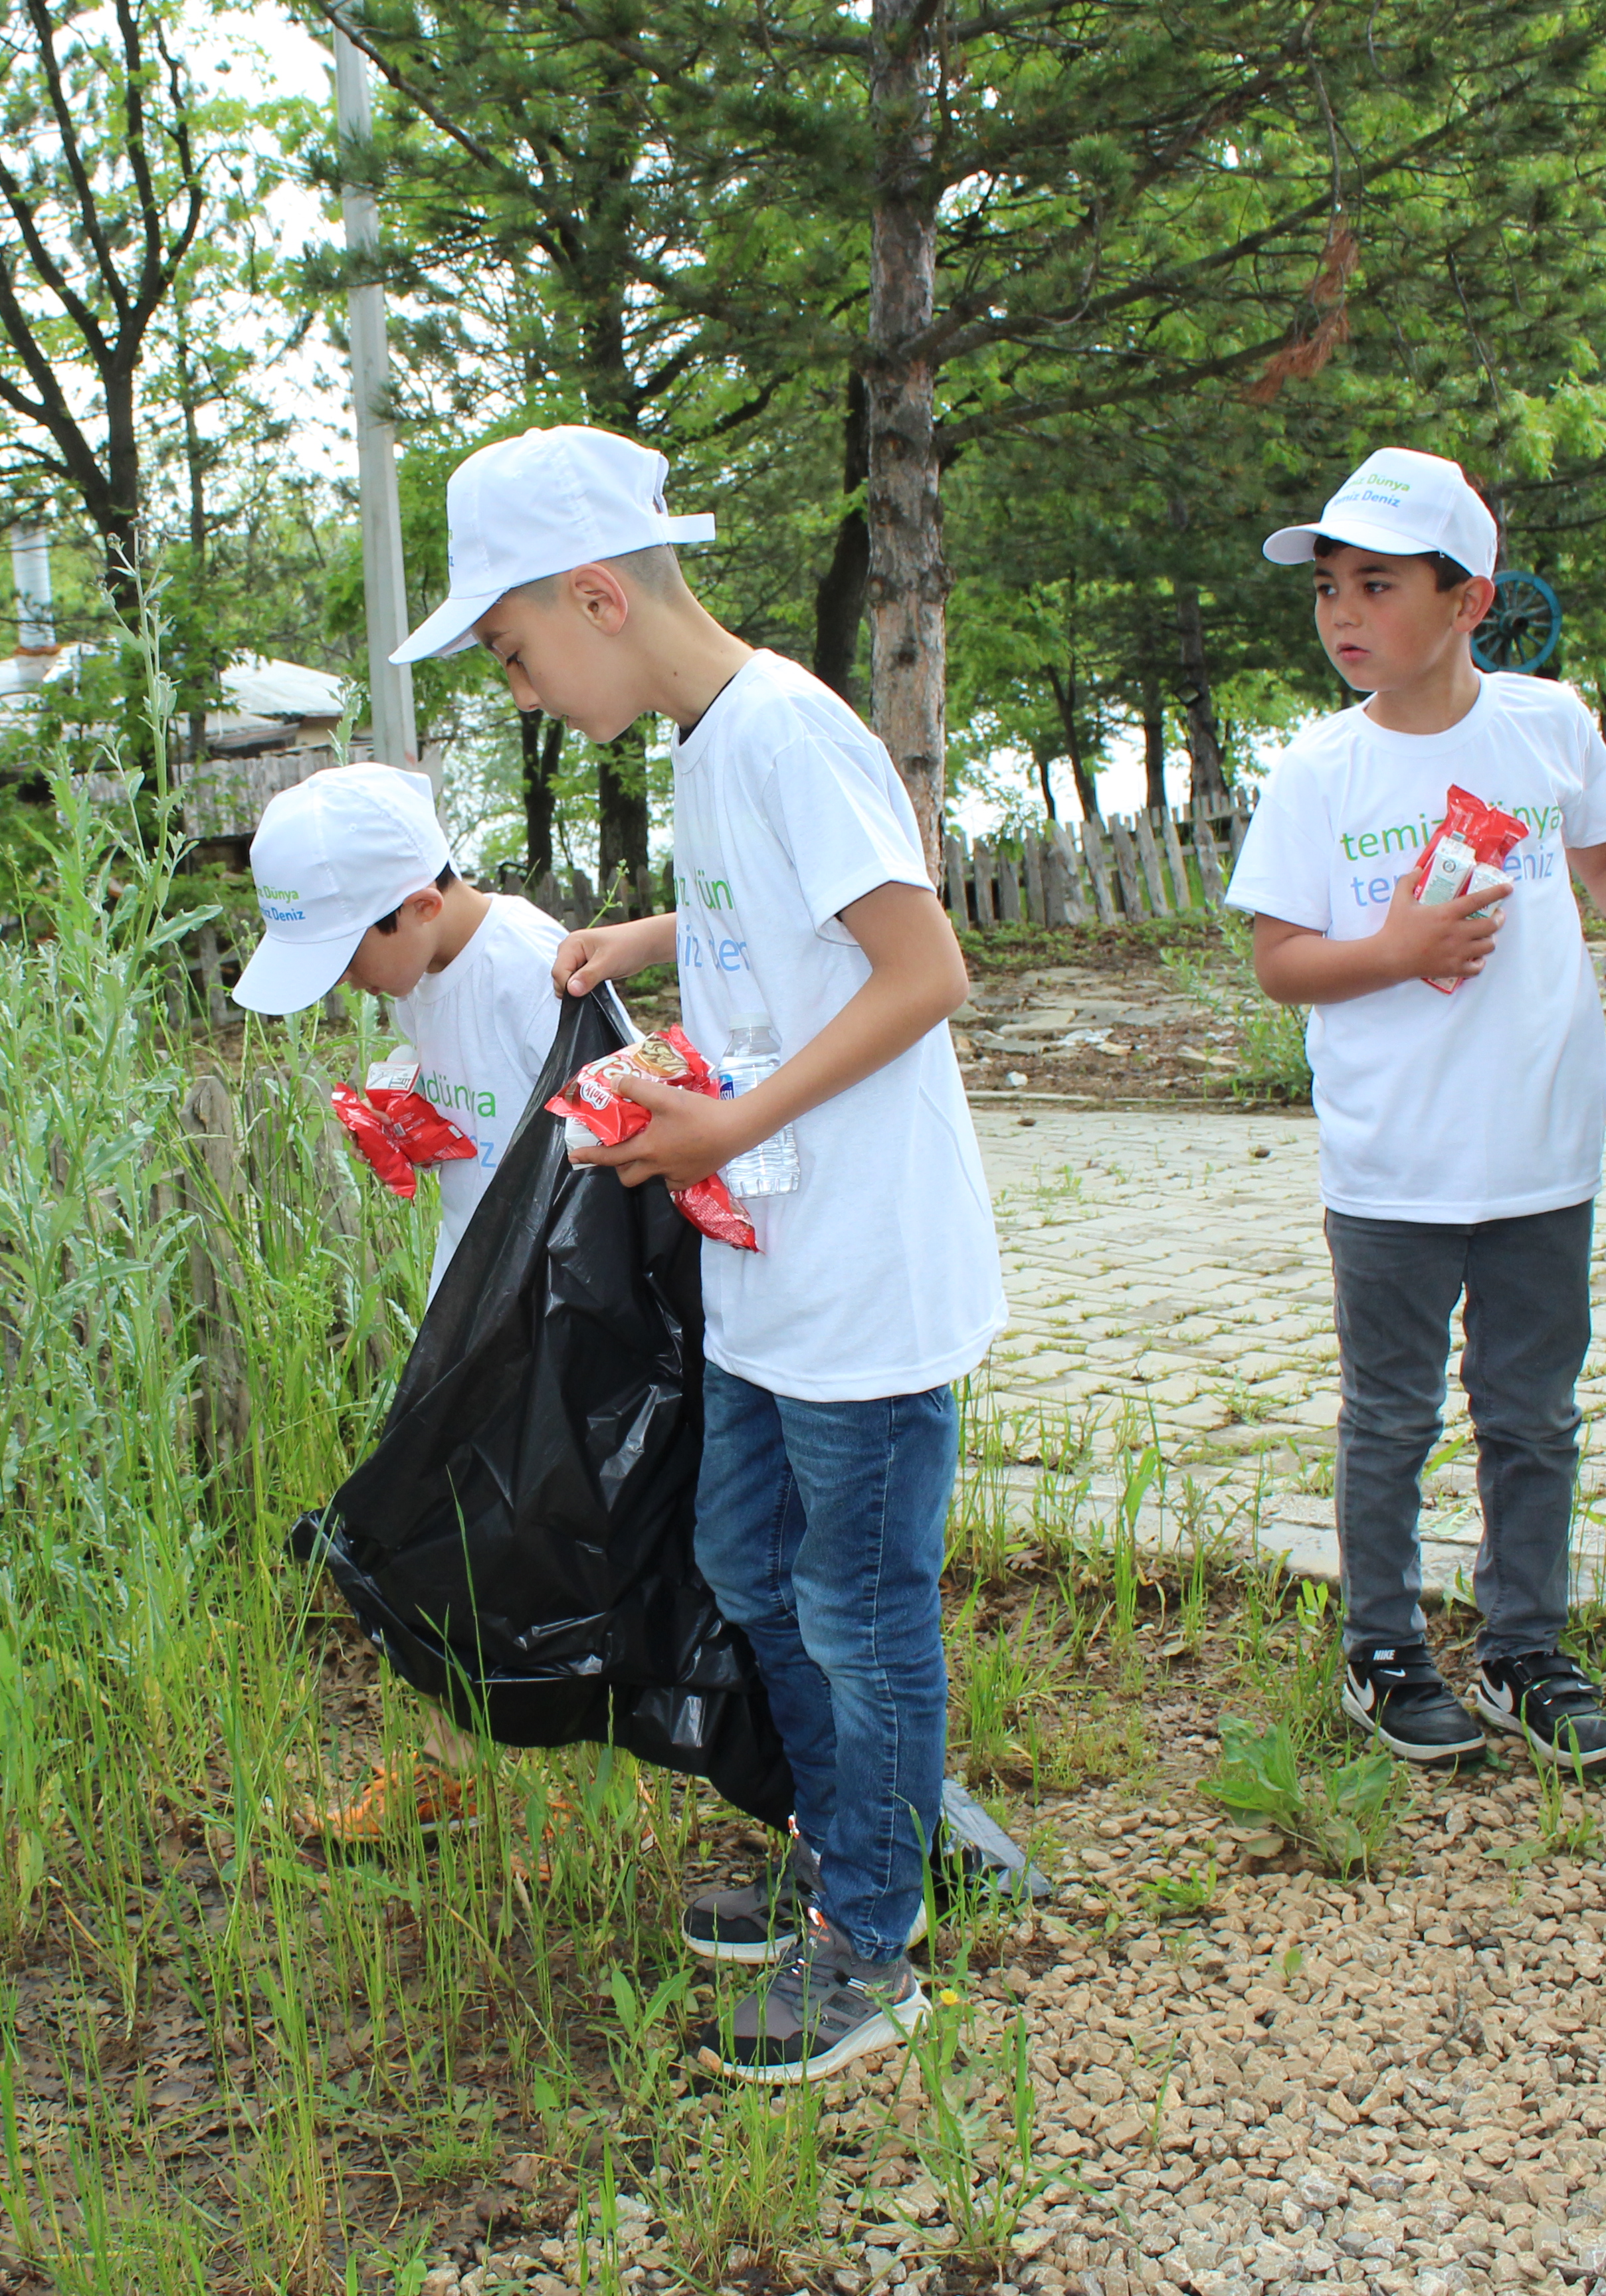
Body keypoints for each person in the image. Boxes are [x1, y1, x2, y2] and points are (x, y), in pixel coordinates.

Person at [393, 423, 1003, 2083]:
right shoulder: (714, 746)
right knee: (747, 1562)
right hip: (769, 1269)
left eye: (515, 650)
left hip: (863, 1271)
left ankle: (875, 1940)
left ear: (598, 596)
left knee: (858, 1606)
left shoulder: (787, 729)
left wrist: (725, 1129)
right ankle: (853, 1843)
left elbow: (921, 965)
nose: (521, 688)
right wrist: (661, 945)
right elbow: (792, 917)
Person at [1224, 446, 1606, 1776]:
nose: (1342, 613)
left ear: (1469, 600)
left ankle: (1524, 1645)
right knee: (1392, 1415)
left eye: (1376, 585)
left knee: (1533, 1413)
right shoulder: (1319, 772)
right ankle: (1381, 1646)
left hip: (1541, 1152)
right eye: (1329, 586)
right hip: (1394, 1167)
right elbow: (1280, 963)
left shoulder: (1545, 726)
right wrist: (1393, 953)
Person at [231, 761, 570, 1840]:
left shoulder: (529, 967)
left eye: (348, 956)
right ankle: (449, 1774)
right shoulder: (423, 969)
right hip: (468, 1305)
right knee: (450, 1540)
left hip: (550, 1320)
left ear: (420, 903)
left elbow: (604, 1133)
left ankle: (587, 1792)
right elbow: (485, 1118)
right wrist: (412, 1116)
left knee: (547, 1547)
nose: (346, 984)